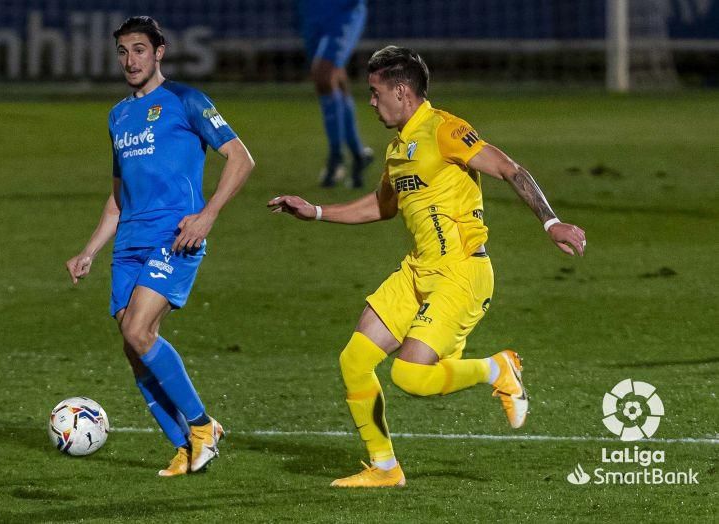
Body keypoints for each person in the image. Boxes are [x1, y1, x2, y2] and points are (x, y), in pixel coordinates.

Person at [268, 46, 586, 488]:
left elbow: (510, 169)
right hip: (418, 272)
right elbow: (382, 207)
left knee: (410, 377)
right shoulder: (398, 147)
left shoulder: (444, 129)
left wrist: (551, 222)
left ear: (401, 91)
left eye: (376, 93)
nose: (371, 101)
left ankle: (497, 369)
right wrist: (316, 211)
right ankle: (384, 468)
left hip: (461, 273)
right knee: (355, 361)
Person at [66, 16, 254, 477]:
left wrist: (207, 215)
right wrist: (89, 250)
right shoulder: (118, 116)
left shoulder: (186, 100)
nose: (130, 60)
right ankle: (185, 447)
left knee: (138, 332)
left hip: (175, 236)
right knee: (134, 348)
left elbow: (240, 158)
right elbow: (118, 197)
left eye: (139, 50)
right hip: (128, 243)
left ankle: (201, 425)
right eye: (123, 52)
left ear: (159, 52)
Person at [298, 0, 374, 188]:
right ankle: (358, 155)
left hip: (343, 12)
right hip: (312, 11)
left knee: (323, 73)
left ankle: (336, 156)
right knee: (333, 78)